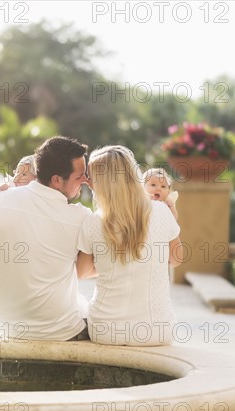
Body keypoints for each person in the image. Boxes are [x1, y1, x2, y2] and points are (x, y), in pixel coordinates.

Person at [0, 136, 92, 341]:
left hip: (11, 328)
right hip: (63, 332)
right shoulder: (80, 217)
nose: (86, 181)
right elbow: (91, 269)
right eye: (80, 176)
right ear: (57, 180)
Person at [76, 145, 182, 346]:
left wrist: (114, 266)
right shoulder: (161, 211)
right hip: (156, 331)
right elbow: (176, 260)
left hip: (106, 330)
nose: (88, 182)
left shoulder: (93, 222)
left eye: (91, 177)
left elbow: (81, 272)